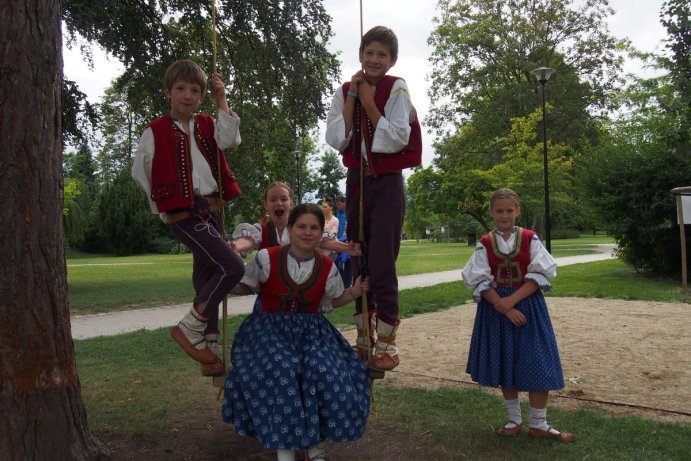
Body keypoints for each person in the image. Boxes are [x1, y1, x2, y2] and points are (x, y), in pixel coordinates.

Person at [222, 203, 371, 461]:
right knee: (283, 368)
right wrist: (224, 279)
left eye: (314, 228)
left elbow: (331, 301)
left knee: (323, 369)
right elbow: (247, 287)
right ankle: (285, 452)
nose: (307, 232)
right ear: (290, 229)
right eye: (301, 226)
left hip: (312, 331)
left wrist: (355, 292)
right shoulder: (267, 258)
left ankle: (315, 449)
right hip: (268, 330)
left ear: (321, 233)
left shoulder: (327, 267)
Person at [131, 59, 245, 378]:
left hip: (212, 209)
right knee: (232, 266)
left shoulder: (208, 124)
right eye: (180, 88)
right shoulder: (154, 131)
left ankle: (207, 343)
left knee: (208, 272)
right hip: (183, 213)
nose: (187, 96)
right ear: (168, 92)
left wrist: (222, 98)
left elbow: (230, 140)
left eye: (195, 91)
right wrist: (163, 209)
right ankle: (188, 327)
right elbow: (141, 172)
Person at [325, 25, 422, 371]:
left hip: (387, 181)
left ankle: (387, 341)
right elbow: (338, 137)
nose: (374, 59)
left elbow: (396, 137)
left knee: (382, 261)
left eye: (382, 54)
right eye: (369, 53)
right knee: (357, 255)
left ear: (392, 59)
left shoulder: (397, 88)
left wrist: (369, 101)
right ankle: (362, 336)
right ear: (360, 55)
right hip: (357, 181)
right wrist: (353, 97)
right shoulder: (345, 91)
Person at [461, 188, 575, 443]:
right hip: (495, 308)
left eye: (509, 210)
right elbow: (477, 277)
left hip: (527, 305)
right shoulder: (485, 243)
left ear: (517, 211)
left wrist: (510, 302)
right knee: (505, 361)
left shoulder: (530, 239)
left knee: (537, 360)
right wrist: (501, 305)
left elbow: (541, 273)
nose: (504, 215)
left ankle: (539, 423)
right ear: (491, 212)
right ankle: (514, 419)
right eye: (499, 211)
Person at [334, 195, 353, 288]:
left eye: (339, 204)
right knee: (338, 262)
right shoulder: (338, 213)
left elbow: (349, 226)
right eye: (336, 204)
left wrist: (347, 239)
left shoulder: (350, 212)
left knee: (348, 262)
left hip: (347, 240)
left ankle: (347, 284)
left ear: (344, 202)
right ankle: (342, 283)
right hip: (339, 241)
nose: (338, 206)